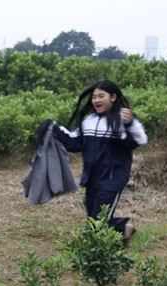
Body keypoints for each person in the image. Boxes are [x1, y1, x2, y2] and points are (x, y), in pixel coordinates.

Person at [51, 79, 148, 241]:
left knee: (98, 222)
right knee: (93, 218)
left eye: (101, 96)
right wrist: (55, 128)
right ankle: (123, 228)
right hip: (91, 178)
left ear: (113, 97)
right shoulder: (89, 121)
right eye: (94, 97)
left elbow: (141, 140)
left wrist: (130, 124)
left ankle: (101, 250)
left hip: (112, 179)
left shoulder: (123, 119)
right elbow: (74, 143)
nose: (96, 100)